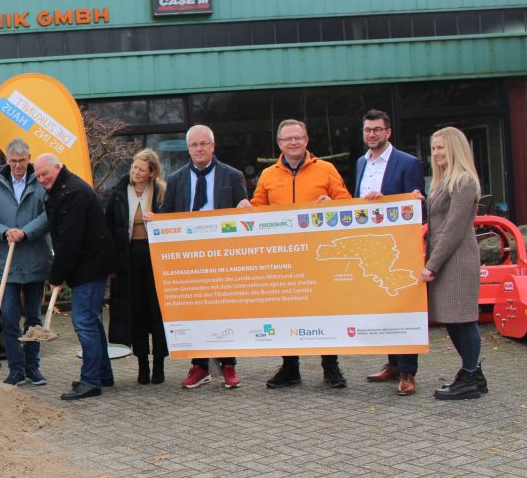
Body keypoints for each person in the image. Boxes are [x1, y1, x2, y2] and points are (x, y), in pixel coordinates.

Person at [240, 119, 351, 389]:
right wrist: (246, 206)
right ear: (279, 143)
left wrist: (333, 204)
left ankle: (330, 366)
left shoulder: (326, 169)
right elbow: (257, 209)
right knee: (285, 311)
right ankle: (290, 367)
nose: (293, 142)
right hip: (283, 256)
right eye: (288, 139)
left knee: (325, 309)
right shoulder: (268, 175)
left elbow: (347, 203)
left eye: (298, 137)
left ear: (306, 140)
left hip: (319, 253)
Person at [158, 125, 249, 389]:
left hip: (222, 256)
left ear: (213, 145)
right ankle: (199, 366)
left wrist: (245, 207)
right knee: (195, 310)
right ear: (188, 149)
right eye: (194, 145)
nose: (199, 149)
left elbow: (243, 212)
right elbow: (168, 215)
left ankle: (228, 364)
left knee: (223, 309)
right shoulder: (175, 179)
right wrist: (156, 220)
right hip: (189, 258)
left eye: (203, 144)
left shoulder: (232, 176)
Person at [354, 110, 426, 396]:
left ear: (388, 132)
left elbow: (418, 206)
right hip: (372, 248)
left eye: (377, 130)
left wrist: (388, 203)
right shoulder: (361, 163)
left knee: (403, 307)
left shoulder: (408, 163)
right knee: (384, 306)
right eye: (367, 129)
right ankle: (393, 363)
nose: (372, 134)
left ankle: (408, 372)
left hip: (400, 248)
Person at [34, 153, 116, 400]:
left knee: (84, 322)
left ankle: (90, 381)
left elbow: (69, 241)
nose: (42, 179)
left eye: (45, 174)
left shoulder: (73, 193)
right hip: (89, 265)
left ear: (57, 168)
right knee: (92, 321)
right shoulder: (64, 189)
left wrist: (56, 276)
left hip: (90, 267)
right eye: (38, 176)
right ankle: (102, 374)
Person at [0, 139, 52, 387]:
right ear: (7, 160)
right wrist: (5, 232)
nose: (18, 166)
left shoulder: (41, 184)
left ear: (29, 158)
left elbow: (48, 214)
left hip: (35, 259)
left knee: (33, 318)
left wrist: (26, 231)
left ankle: (33, 368)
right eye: (13, 161)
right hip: (7, 263)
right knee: (9, 317)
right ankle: (16, 370)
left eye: (22, 161)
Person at [424, 127, 485, 400]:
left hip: (457, 261)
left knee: (464, 319)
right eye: (434, 148)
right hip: (446, 260)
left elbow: (453, 229)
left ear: (455, 149)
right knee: (452, 318)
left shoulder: (463, 182)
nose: (436, 153)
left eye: (441, 148)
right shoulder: (442, 181)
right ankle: (473, 372)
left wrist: (432, 265)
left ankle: (469, 376)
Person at [105, 149, 170, 385]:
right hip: (129, 257)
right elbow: (109, 226)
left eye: (141, 169)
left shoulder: (162, 191)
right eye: (134, 167)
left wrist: (159, 218)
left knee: (157, 312)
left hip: (155, 258)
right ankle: (142, 364)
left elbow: (173, 219)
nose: (135, 172)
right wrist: (111, 263)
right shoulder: (120, 192)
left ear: (151, 173)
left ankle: (159, 363)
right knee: (137, 313)